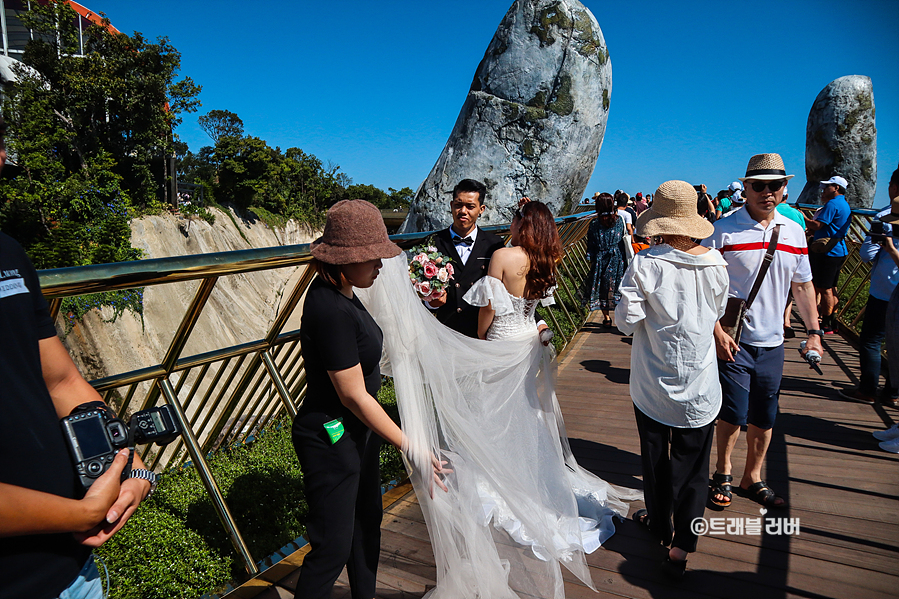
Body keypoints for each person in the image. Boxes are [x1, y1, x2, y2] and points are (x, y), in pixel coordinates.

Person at [356, 200, 642, 598]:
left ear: (521, 225)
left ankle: (496, 477)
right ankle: (529, 478)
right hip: (529, 342)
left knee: (491, 414)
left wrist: (476, 343)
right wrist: (537, 327)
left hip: (502, 345)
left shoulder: (504, 255)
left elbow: (488, 311)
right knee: (525, 413)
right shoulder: (547, 259)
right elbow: (535, 309)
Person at [0, 116, 153, 599]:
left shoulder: (8, 255)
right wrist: (80, 514)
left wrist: (130, 463)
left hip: (73, 573)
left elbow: (62, 381)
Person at [292, 199, 449, 599]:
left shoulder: (344, 291)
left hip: (356, 436)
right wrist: (409, 444)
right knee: (333, 546)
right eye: (372, 257)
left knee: (366, 527)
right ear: (343, 260)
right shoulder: (328, 307)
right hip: (330, 438)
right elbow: (352, 395)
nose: (381, 265)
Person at [616, 180, 729, 578]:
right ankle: (683, 545)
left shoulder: (646, 264)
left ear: (660, 222)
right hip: (699, 383)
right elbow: (716, 312)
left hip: (652, 384)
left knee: (655, 460)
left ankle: (660, 524)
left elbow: (626, 323)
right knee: (695, 468)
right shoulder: (716, 264)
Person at [703, 153, 823, 509]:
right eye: (759, 185)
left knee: (765, 413)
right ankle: (723, 469)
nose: (766, 192)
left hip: (773, 343)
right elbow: (705, 288)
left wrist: (813, 331)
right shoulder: (723, 229)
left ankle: (752, 476)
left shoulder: (795, 231)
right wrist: (715, 331)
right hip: (733, 339)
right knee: (732, 411)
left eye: (775, 185)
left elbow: (802, 287)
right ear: (747, 188)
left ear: (785, 189)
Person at [839, 172, 899, 406]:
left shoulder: (884, 217)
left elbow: (866, 254)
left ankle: (868, 389)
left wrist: (887, 247)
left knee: (872, 340)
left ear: (893, 187)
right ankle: (892, 391)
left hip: (885, 290)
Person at [425, 179, 505, 339]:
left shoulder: (494, 244)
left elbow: (505, 289)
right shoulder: (434, 241)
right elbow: (422, 288)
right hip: (446, 330)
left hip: (482, 331)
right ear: (451, 205)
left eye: (470, 206)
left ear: (481, 209)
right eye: (458, 205)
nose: (463, 211)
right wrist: (430, 302)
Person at [805, 176, 851, 333]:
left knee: (823, 288)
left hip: (827, 251)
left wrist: (803, 217)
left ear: (836, 188)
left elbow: (818, 224)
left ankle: (826, 323)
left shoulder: (832, 204)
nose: (824, 190)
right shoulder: (844, 204)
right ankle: (832, 321)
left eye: (827, 187)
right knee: (831, 286)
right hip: (838, 249)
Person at [581, 193, 626, 326]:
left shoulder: (594, 223)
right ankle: (620, 316)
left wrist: (591, 258)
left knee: (603, 289)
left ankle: (606, 318)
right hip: (617, 257)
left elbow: (591, 244)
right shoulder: (619, 221)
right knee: (617, 286)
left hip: (601, 258)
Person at [776, 186, 807, 338]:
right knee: (788, 290)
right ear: (786, 196)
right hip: (791, 255)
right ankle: (786, 321)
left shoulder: (770, 212)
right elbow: (803, 232)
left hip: (770, 254)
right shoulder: (796, 213)